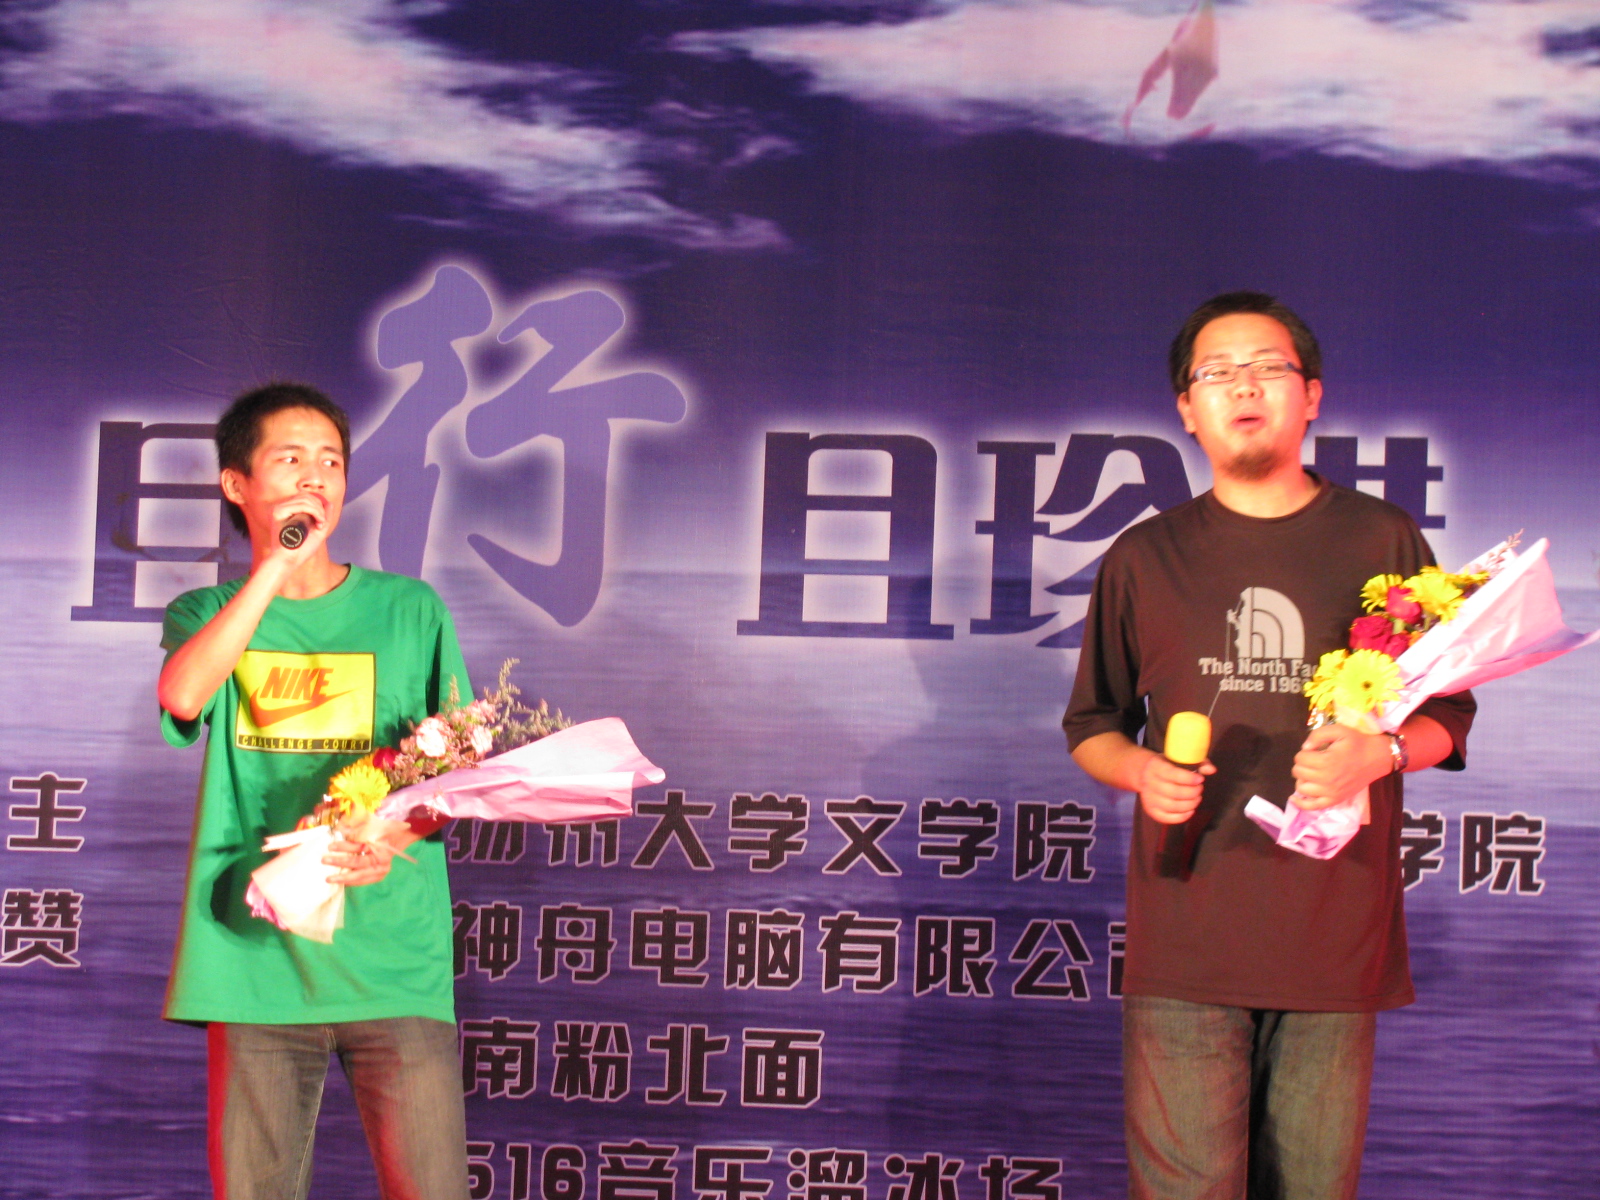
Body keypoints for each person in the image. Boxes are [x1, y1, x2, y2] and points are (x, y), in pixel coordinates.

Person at [1062, 293, 1475, 1200]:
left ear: (1312, 394)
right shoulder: (1144, 555)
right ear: (1187, 408)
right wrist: (1141, 772)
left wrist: (1383, 754)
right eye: (1217, 373)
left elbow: (1450, 712)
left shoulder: (1382, 537)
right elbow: (1092, 724)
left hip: (1333, 930)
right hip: (1187, 934)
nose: (1243, 387)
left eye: (1267, 368)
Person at [157, 382, 471, 1200]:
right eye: (290, 459)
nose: (315, 478)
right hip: (253, 963)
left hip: (392, 961)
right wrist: (273, 570)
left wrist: (391, 840)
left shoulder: (410, 609)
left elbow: (456, 771)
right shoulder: (206, 611)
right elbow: (184, 695)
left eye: (330, 462)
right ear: (236, 483)